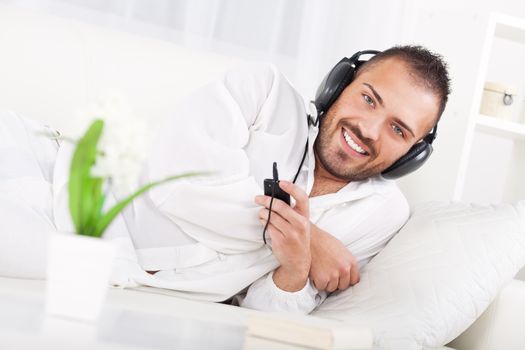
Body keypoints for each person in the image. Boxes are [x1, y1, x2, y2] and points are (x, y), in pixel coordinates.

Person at [0, 45, 450, 314]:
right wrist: (308, 239)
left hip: (102, 267)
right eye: (369, 99)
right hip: (52, 174)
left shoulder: (383, 214)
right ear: (339, 84)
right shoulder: (264, 90)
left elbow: (264, 313)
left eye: (398, 130)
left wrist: (294, 269)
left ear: (413, 154)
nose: (368, 130)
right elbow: (179, 182)